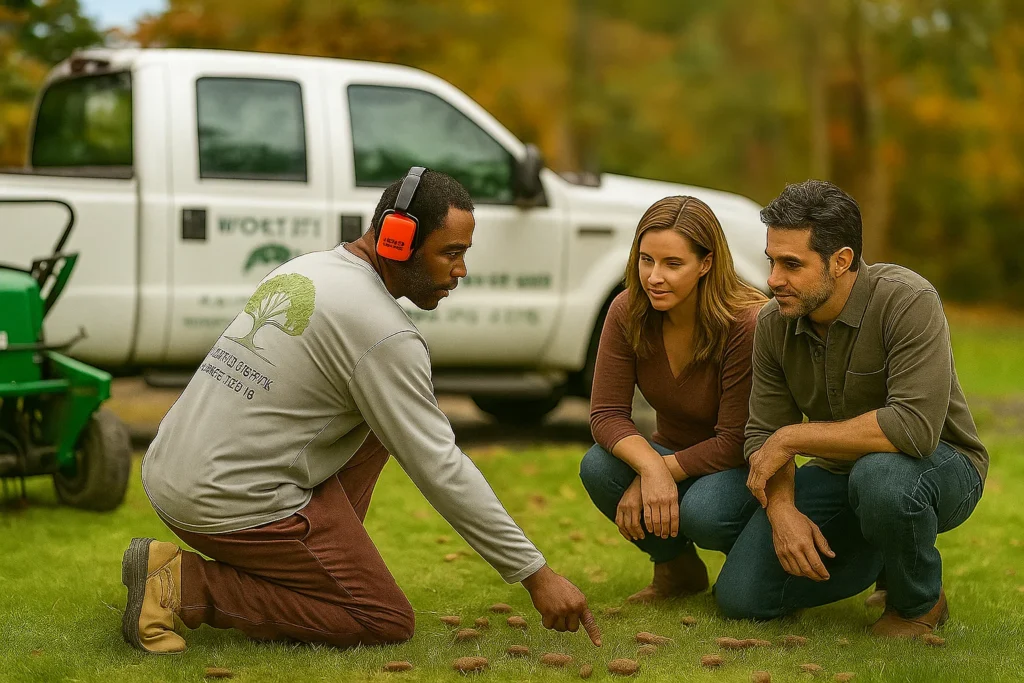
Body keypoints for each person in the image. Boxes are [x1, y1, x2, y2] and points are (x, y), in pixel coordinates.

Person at [122, 168, 601, 654]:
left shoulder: (307, 268)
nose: (461, 270)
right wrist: (536, 575)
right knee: (380, 618)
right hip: (223, 500)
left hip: (170, 472)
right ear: (398, 241)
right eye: (450, 253)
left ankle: (312, 570)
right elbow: (440, 466)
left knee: (381, 422)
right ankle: (182, 583)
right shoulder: (383, 333)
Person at [715, 180, 988, 637]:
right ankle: (882, 552)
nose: (773, 279)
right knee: (742, 598)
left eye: (791, 264)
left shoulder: (908, 300)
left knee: (882, 480)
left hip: (941, 464)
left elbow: (914, 429)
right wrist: (781, 510)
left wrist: (792, 437)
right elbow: (764, 434)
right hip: (841, 472)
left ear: (841, 261)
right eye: (771, 261)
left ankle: (918, 604)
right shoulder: (773, 323)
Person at [579, 196, 766, 603]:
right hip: (671, 452)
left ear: (706, 263)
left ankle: (754, 560)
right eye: (646, 260)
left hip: (739, 466)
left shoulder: (746, 323)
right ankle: (676, 568)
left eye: (673, 264)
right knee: (598, 466)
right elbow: (606, 415)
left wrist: (658, 472)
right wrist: (651, 468)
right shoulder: (627, 310)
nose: (654, 277)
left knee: (705, 511)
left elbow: (735, 440)